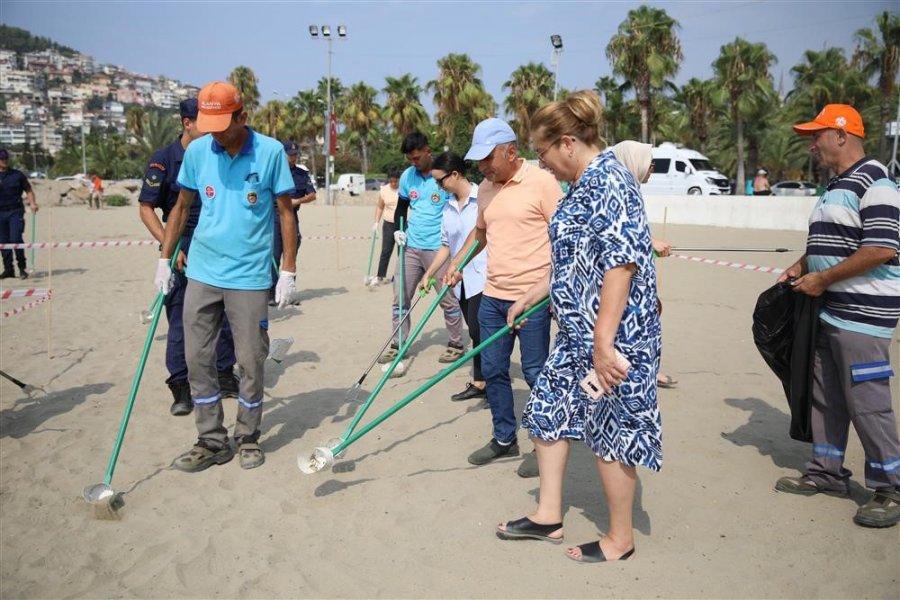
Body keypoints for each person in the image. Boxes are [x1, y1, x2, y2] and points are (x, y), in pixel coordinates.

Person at [495, 90, 661, 563]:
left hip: (615, 339)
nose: (542, 165)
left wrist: (604, 343)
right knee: (546, 412)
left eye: (544, 153)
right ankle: (548, 514)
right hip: (575, 336)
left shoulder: (610, 179)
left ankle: (620, 539)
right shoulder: (579, 186)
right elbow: (575, 260)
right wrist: (537, 291)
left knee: (613, 433)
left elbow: (621, 265)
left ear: (568, 143)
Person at [154, 81, 297, 472]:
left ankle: (247, 436)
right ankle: (211, 439)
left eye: (222, 122)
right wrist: (165, 259)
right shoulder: (198, 151)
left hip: (249, 277)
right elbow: (181, 207)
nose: (214, 131)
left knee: (250, 361)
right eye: (208, 122)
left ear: (242, 116)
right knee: (197, 359)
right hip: (201, 271)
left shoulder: (269, 152)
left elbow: (286, 212)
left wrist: (287, 269)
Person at [774, 104, 900, 528]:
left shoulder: (876, 182)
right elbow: (838, 240)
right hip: (830, 309)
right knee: (824, 395)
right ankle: (827, 474)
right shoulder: (837, 185)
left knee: (868, 402)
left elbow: (881, 249)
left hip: (862, 316)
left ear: (842, 135)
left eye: (818, 135)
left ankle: (891, 487)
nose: (812, 145)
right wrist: (803, 265)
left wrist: (823, 278)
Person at [444, 118, 560, 478]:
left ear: (510, 151)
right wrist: (458, 263)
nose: (481, 167)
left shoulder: (543, 182)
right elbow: (480, 235)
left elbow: (564, 241)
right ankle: (504, 438)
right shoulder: (486, 189)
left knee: (535, 372)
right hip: (492, 296)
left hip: (532, 298)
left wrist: (544, 290)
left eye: (487, 158)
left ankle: (545, 445)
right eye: (477, 161)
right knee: (493, 369)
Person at [138, 98, 239, 416]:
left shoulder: (217, 153)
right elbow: (146, 208)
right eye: (204, 122)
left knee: (225, 314)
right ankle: (181, 385)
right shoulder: (164, 159)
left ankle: (224, 373)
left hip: (218, 244)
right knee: (181, 317)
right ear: (187, 123)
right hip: (181, 242)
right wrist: (169, 250)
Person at [378, 132, 464, 367]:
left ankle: (456, 343)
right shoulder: (407, 176)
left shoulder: (442, 174)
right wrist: (398, 229)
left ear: (428, 150)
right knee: (400, 298)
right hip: (411, 247)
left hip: (439, 249)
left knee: (447, 298)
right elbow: (401, 208)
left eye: (417, 157)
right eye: (410, 159)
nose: (414, 163)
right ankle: (398, 344)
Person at [418, 152, 488, 402]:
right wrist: (429, 274)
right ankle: (482, 382)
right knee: (475, 332)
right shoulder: (448, 206)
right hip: (459, 280)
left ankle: (488, 382)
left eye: (441, 181)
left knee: (481, 332)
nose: (439, 186)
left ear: (455, 174)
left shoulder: (483, 197)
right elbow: (446, 245)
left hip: (483, 276)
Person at [610, 141, 678, 390]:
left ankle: (650, 375)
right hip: (625, 298)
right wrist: (650, 242)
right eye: (650, 162)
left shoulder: (631, 190)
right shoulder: (618, 191)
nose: (652, 167)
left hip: (640, 295)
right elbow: (616, 239)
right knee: (620, 353)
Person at [270, 140, 316, 306]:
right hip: (274, 216)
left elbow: (312, 195)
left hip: (292, 216)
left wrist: (298, 201)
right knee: (274, 254)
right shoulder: (274, 172)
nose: (293, 157)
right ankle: (272, 293)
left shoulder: (302, 175)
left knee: (291, 253)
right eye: (290, 154)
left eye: (295, 154)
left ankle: (289, 291)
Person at [0, 148, 38, 280]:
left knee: (15, 238)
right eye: (2, 159)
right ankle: (8, 269)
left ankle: (22, 268)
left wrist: (32, 203)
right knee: (3, 242)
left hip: (15, 211)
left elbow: (28, 190)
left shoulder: (17, 175)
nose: (5, 160)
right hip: (0, 213)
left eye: (6, 158)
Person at [369, 166, 402, 286]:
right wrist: (376, 222)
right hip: (389, 223)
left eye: (396, 181)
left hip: (403, 223)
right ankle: (380, 276)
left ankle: (400, 276)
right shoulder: (384, 190)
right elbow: (379, 207)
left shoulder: (405, 189)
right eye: (391, 181)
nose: (394, 183)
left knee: (402, 252)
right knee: (386, 251)